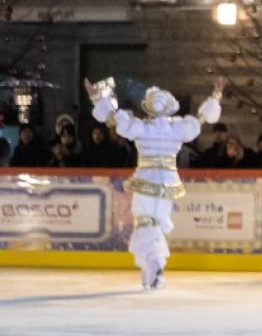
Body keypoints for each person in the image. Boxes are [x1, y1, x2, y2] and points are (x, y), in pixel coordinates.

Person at [87, 75, 224, 290]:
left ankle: (153, 264)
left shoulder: (142, 127)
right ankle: (154, 267)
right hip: (168, 183)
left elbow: (113, 120)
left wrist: (97, 99)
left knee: (145, 222)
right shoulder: (177, 128)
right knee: (157, 223)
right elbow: (201, 119)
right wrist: (215, 97)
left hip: (146, 180)